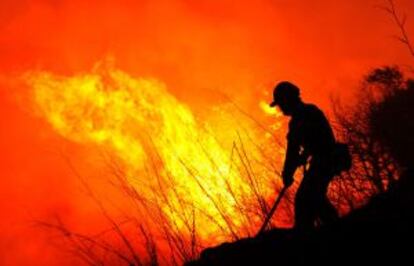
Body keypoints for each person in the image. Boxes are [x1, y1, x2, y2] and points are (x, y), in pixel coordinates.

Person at [269, 81, 338, 230]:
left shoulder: (300, 117)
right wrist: (303, 157)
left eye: (281, 104)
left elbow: (292, 149)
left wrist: (288, 172)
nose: (280, 109)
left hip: (324, 161)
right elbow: (312, 142)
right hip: (326, 160)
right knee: (315, 198)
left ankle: (306, 236)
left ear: (288, 100)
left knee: (304, 199)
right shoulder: (310, 111)